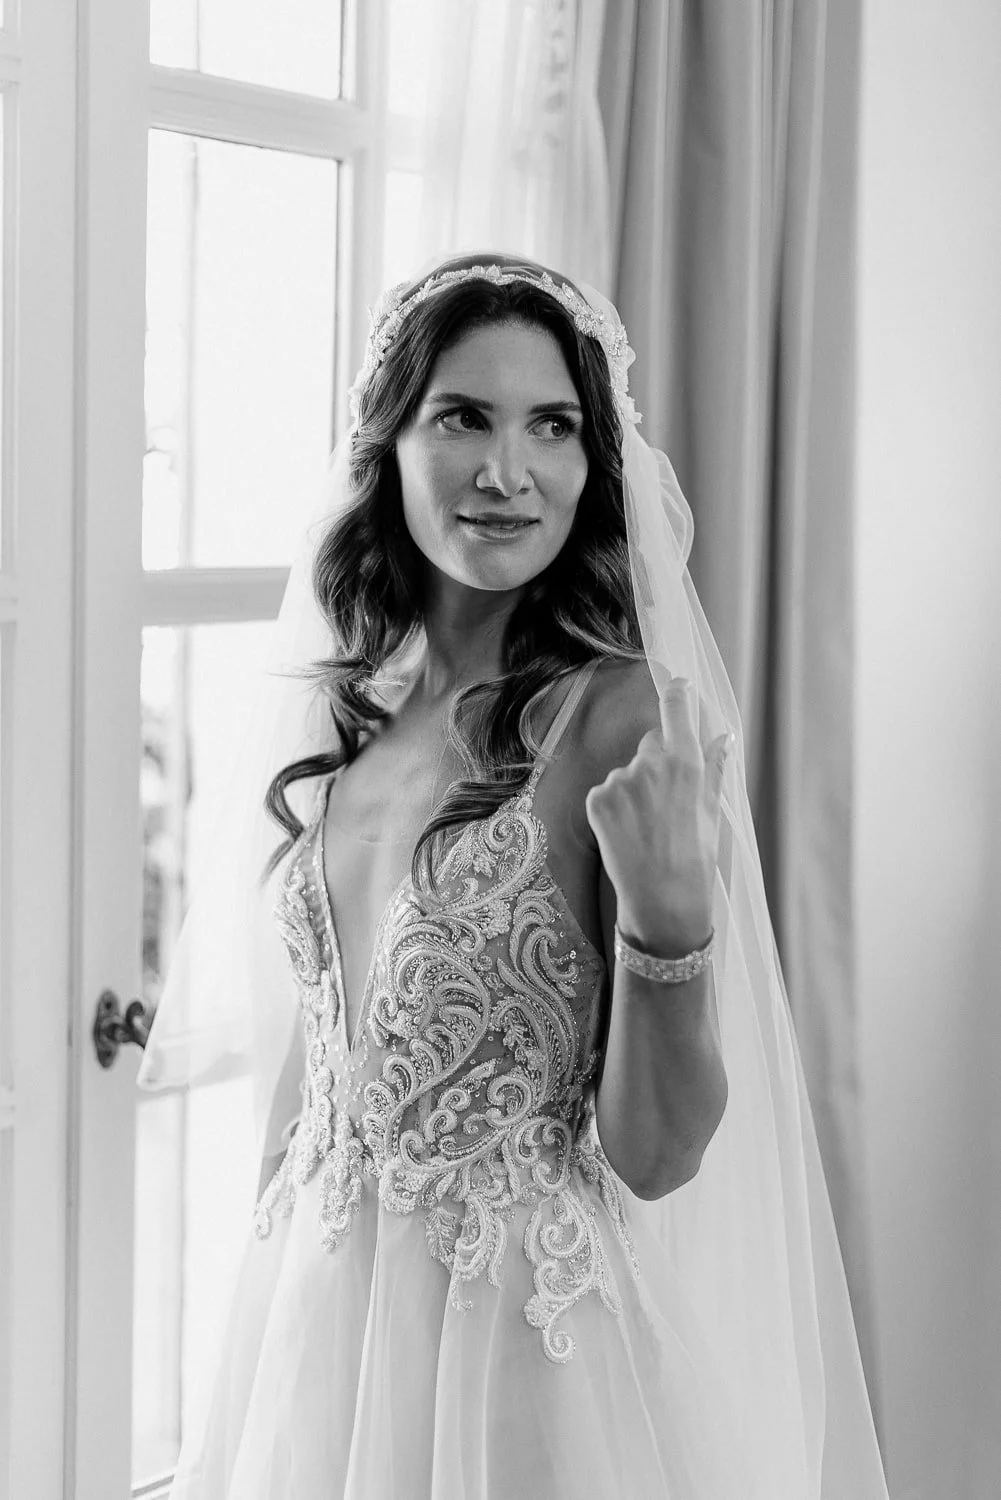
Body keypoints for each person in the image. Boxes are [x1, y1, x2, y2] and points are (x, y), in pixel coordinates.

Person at [139, 252, 890, 1498]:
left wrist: (669, 918)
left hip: (522, 1368)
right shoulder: (358, 711)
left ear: (596, 465)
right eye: (462, 419)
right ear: (388, 446)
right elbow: (322, 1073)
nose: (508, 472)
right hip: (314, 1335)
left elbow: (652, 1155)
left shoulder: (623, 723)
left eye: (552, 426)